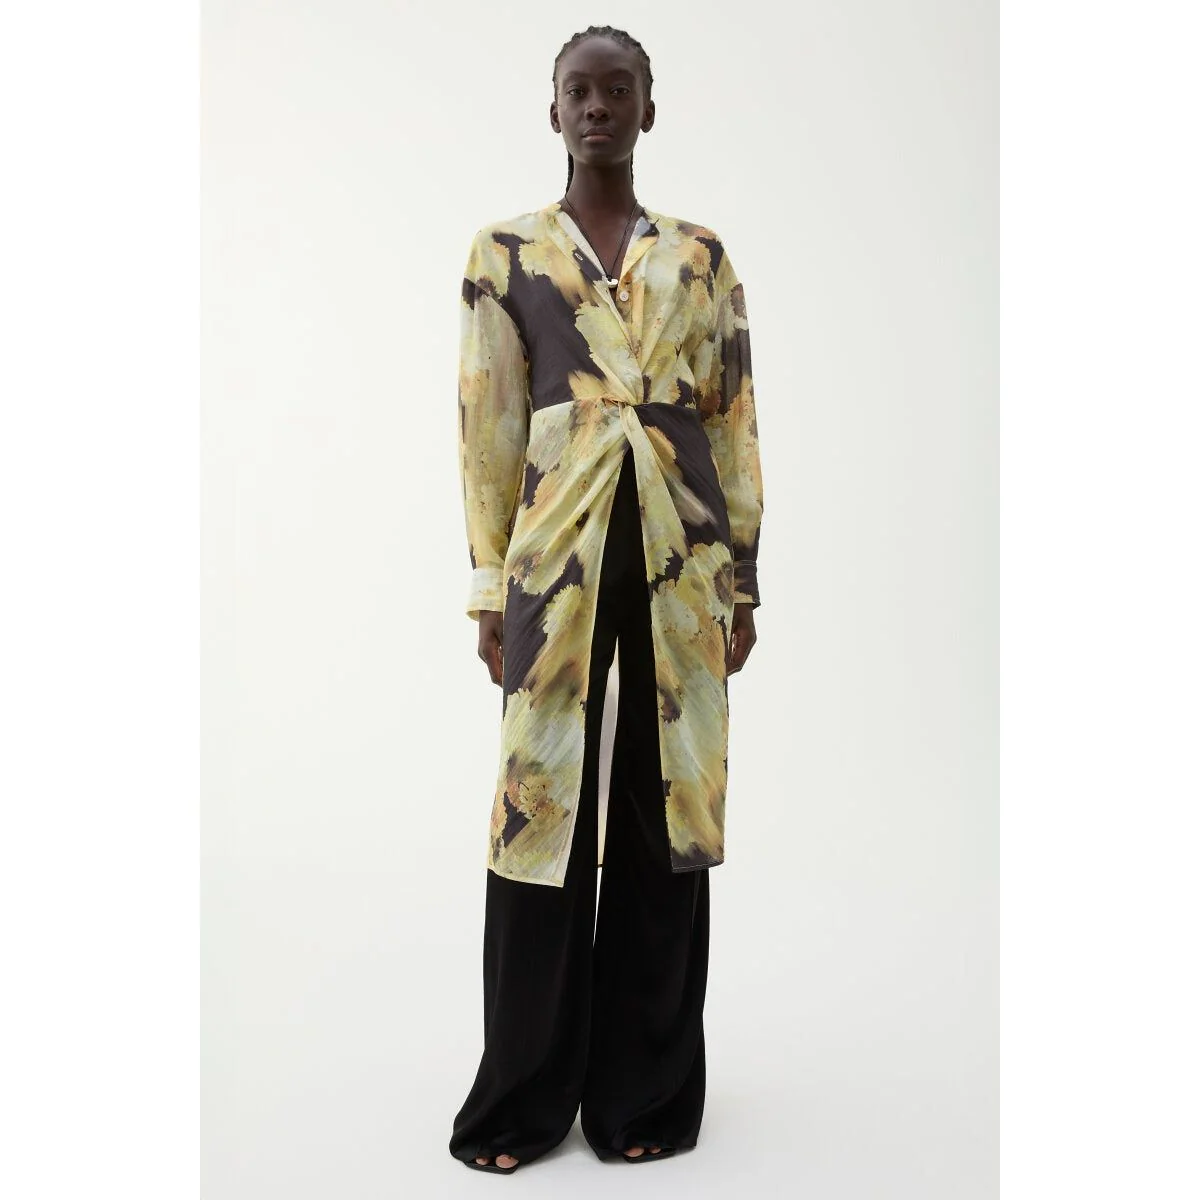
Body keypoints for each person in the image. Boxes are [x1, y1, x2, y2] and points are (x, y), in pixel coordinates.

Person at [448, 25, 764, 1174]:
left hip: (684, 559)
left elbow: (732, 417)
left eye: (617, 89)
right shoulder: (505, 254)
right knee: (541, 815)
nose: (597, 106)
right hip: (554, 560)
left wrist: (743, 579)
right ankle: (523, 1098)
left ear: (647, 110)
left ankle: (647, 1094)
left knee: (662, 815)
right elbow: (488, 423)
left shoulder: (701, 257)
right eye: (578, 90)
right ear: (553, 111)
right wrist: (489, 586)